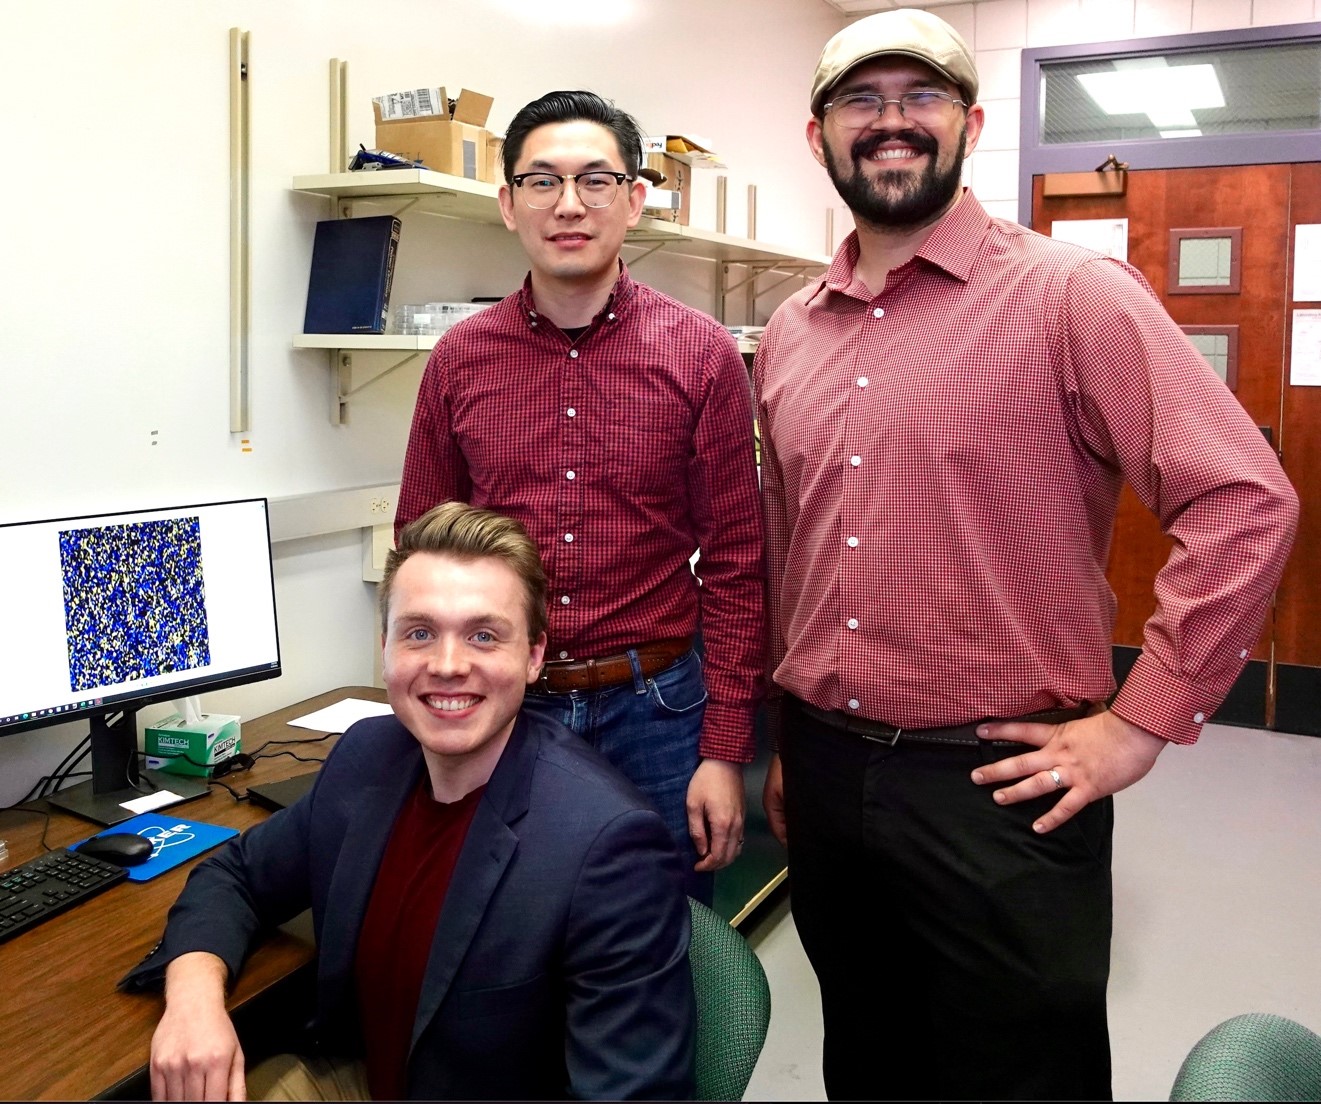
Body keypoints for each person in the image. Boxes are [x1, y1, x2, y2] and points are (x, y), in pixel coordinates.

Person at [753, 8, 1300, 1101]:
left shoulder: (1069, 296)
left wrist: (1140, 722)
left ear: (970, 125)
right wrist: (785, 739)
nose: (891, 123)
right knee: (864, 1054)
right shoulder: (788, 333)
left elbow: (1244, 500)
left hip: (997, 785)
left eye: (921, 99)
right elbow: (790, 548)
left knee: (1019, 1076)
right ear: (817, 138)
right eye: (861, 101)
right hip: (822, 769)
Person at [127, 502, 696, 1101]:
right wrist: (192, 998)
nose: (448, 665)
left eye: (484, 635)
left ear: (532, 657)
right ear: (386, 649)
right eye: (420, 633)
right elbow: (236, 875)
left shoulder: (609, 847)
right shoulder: (368, 756)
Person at [395, 90, 765, 903]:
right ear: (507, 203)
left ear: (634, 199)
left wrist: (722, 750)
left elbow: (738, 563)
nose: (569, 205)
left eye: (596, 180)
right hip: (503, 707)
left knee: (660, 949)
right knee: (504, 941)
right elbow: (419, 553)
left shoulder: (701, 357)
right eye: (541, 182)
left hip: (658, 713)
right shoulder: (459, 361)